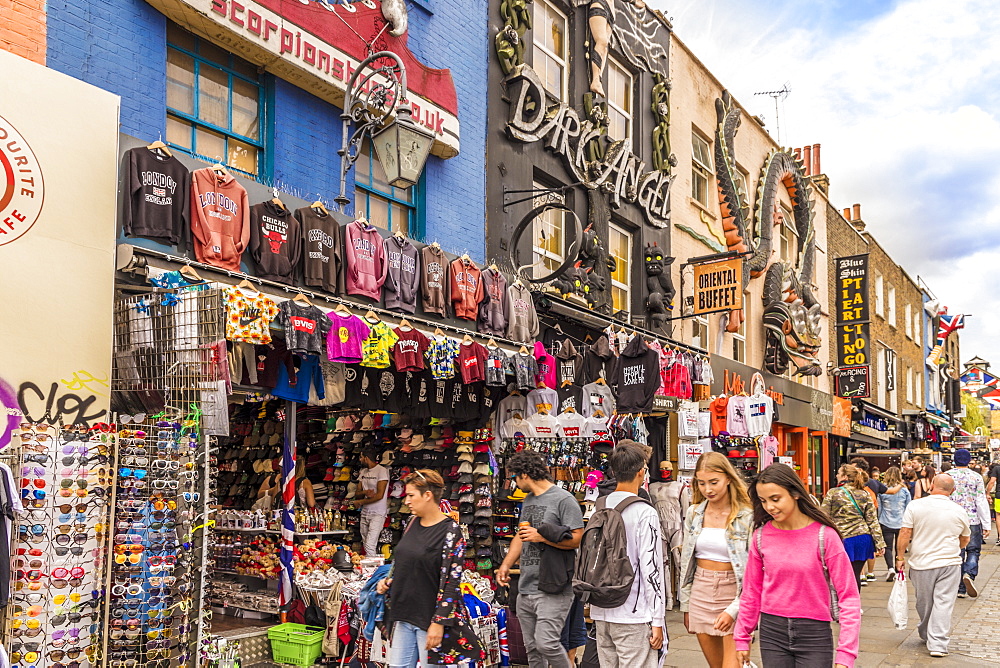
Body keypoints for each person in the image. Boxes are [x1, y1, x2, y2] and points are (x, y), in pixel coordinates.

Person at [735, 464, 861, 668]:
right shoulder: (760, 536)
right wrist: (742, 636)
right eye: (763, 501)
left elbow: (849, 597)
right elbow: (751, 591)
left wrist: (846, 655)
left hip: (814, 634)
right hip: (771, 631)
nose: (769, 507)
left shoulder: (825, 536)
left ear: (794, 493)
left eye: (776, 499)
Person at [376, 470, 484, 668]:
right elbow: (407, 563)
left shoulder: (450, 531)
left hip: (429, 618)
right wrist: (389, 582)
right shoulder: (411, 523)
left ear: (428, 495)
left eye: (411, 495)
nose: (406, 501)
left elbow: (453, 581)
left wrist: (439, 622)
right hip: (404, 614)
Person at [497, 451, 584, 668]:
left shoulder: (564, 499)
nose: (515, 484)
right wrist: (506, 564)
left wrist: (541, 537)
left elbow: (577, 539)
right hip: (526, 587)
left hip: (554, 587)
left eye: (515, 477)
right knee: (533, 650)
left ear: (525, 474)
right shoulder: (528, 500)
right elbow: (521, 534)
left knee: (547, 643)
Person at [587, 441, 665, 668]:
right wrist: (658, 619)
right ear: (641, 471)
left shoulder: (599, 505)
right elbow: (652, 568)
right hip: (634, 612)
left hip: (602, 609)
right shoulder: (644, 511)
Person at [678, 451, 752, 668]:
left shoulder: (747, 515)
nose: (707, 489)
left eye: (713, 482)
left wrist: (736, 608)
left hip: (734, 592)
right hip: (700, 590)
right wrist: (686, 605)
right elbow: (686, 562)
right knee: (716, 666)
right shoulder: (694, 513)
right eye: (701, 483)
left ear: (728, 478)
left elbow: (754, 570)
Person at [895, 474, 971, 658]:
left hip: (922, 563)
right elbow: (965, 538)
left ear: (931, 487)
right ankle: (937, 643)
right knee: (943, 603)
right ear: (952, 491)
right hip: (949, 563)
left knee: (924, 602)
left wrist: (899, 556)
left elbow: (905, 532)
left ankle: (930, 635)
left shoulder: (915, 506)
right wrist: (955, 548)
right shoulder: (959, 510)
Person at [822, 464, 886, 589]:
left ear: (845, 476)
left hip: (842, 539)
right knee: (855, 574)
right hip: (863, 539)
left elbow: (823, 516)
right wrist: (880, 543)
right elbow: (872, 520)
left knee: (841, 576)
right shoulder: (865, 494)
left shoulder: (833, 493)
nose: (836, 475)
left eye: (839, 473)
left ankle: (843, 604)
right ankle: (855, 605)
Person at [947, 448, 991, 597]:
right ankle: (969, 574)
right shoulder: (976, 477)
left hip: (952, 519)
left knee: (957, 552)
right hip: (972, 519)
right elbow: (981, 501)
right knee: (973, 550)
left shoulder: (947, 476)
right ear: (969, 460)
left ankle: (959, 587)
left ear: (954, 459)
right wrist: (986, 524)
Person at [849, 457, 885, 582]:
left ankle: (862, 574)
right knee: (868, 552)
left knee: (854, 569)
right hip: (866, 529)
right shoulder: (872, 486)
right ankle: (870, 573)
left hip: (848, 532)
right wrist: (879, 542)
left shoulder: (839, 492)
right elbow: (873, 516)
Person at [354, 449, 390, 557]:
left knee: (370, 544)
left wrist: (361, 501)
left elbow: (379, 495)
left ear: (366, 458)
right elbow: (357, 493)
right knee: (366, 544)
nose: (360, 460)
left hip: (378, 513)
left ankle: (372, 571)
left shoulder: (382, 471)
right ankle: (372, 568)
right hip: (365, 512)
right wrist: (365, 492)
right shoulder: (363, 472)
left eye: (361, 457)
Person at [878, 466, 911, 581]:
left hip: (886, 521)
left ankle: (890, 568)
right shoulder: (904, 490)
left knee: (887, 547)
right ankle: (898, 571)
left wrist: (878, 520)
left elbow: (879, 507)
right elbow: (908, 506)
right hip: (901, 522)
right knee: (899, 547)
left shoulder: (883, 490)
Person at [987, 459, 1000, 545]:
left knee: (998, 515)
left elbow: (992, 482)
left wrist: (987, 493)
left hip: (999, 495)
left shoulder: (997, 468)